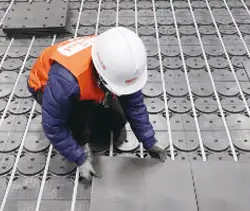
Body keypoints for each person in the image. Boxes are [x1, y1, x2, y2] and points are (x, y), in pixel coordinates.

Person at [27, 27, 166, 181]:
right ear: (101, 77)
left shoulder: (119, 63)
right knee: (81, 116)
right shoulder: (65, 82)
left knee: (117, 120)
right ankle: (79, 134)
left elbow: (134, 104)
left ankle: (90, 113)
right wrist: (79, 158)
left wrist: (149, 140)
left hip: (85, 81)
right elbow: (53, 126)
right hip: (45, 86)